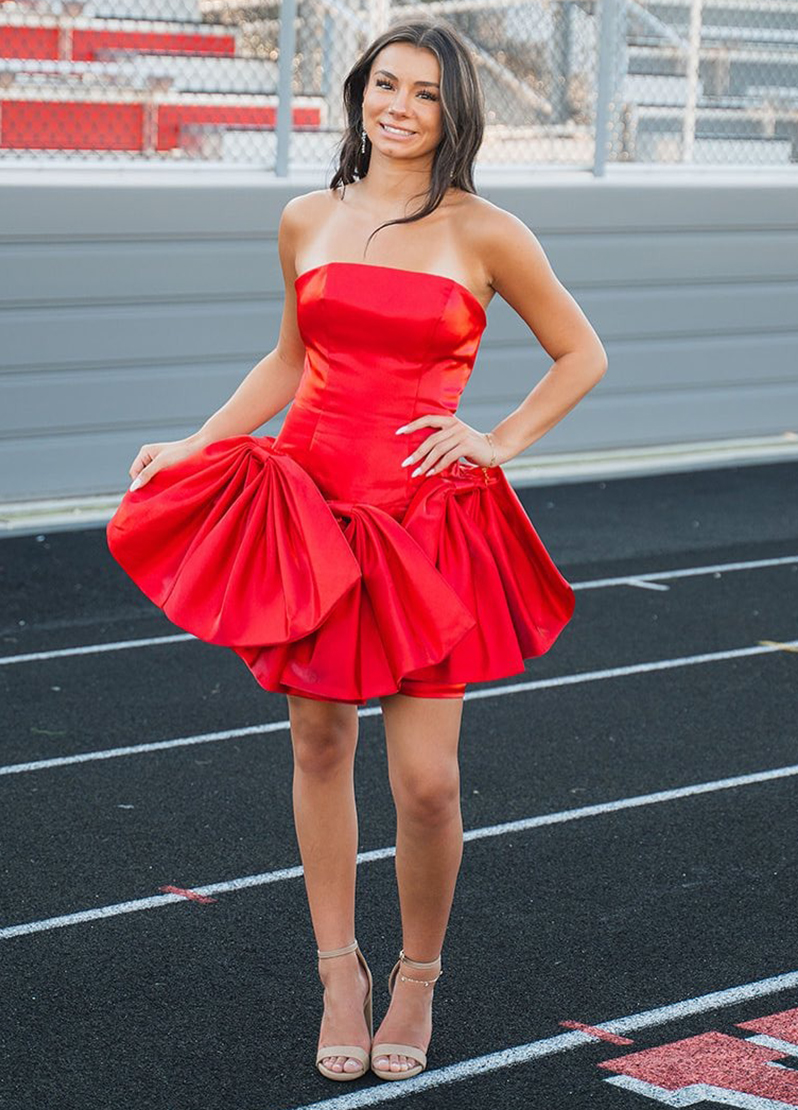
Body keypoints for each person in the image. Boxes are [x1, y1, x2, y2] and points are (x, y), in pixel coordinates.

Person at [106, 17, 607, 1085]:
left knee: (427, 785)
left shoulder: (489, 232)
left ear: (454, 114)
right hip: (312, 508)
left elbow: (582, 353)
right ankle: (341, 969)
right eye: (387, 85)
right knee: (320, 746)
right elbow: (292, 358)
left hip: (426, 526)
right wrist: (200, 443)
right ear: (360, 94)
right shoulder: (303, 218)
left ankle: (419, 974)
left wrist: (498, 440)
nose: (401, 107)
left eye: (427, 93)